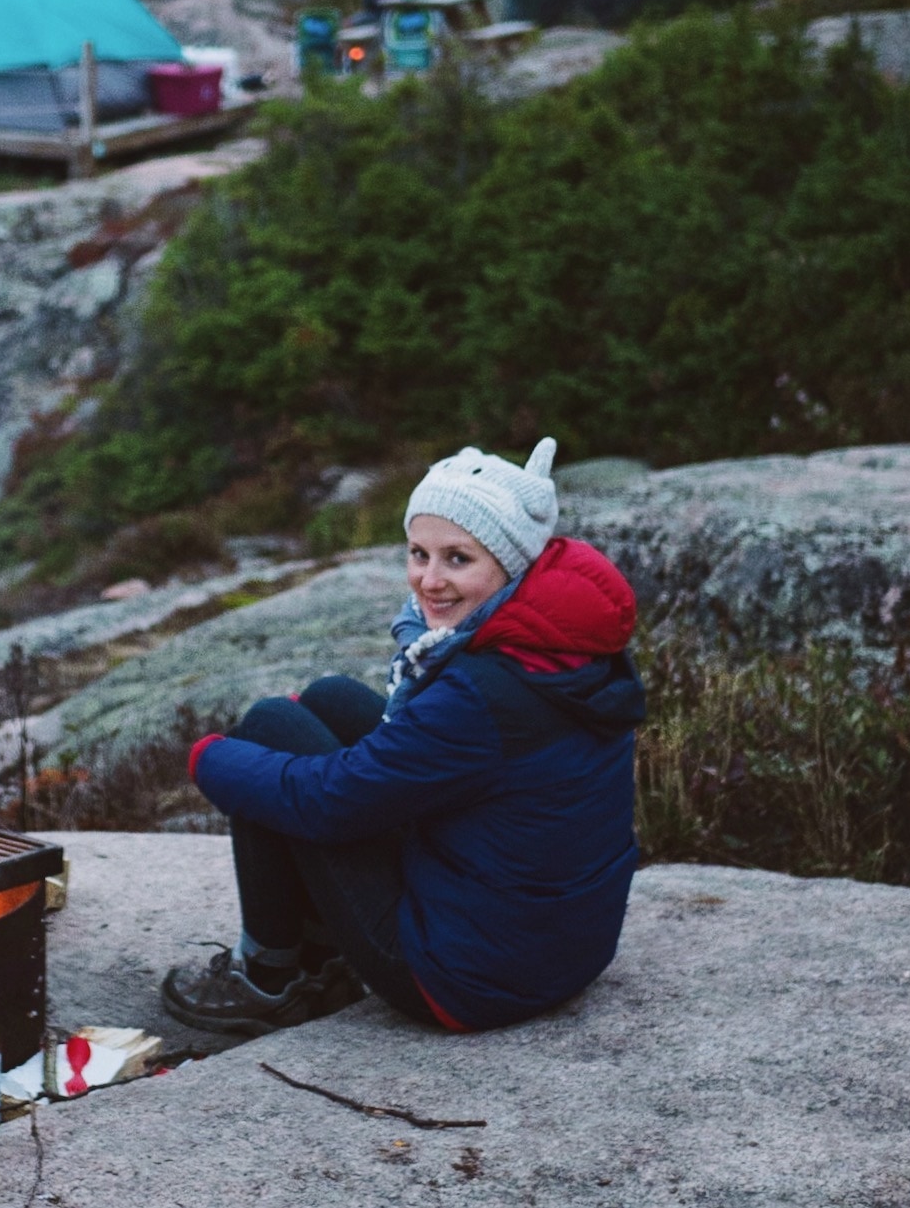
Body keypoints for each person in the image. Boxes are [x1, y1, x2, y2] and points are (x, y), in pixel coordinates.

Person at [162, 437, 644, 1036]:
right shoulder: (561, 643)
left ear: (511, 562)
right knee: (329, 699)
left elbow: (330, 802)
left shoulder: (482, 690)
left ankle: (269, 978)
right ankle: (321, 950)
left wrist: (210, 759)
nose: (429, 581)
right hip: (558, 946)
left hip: (464, 979)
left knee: (269, 731)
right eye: (418, 553)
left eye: (458, 559)